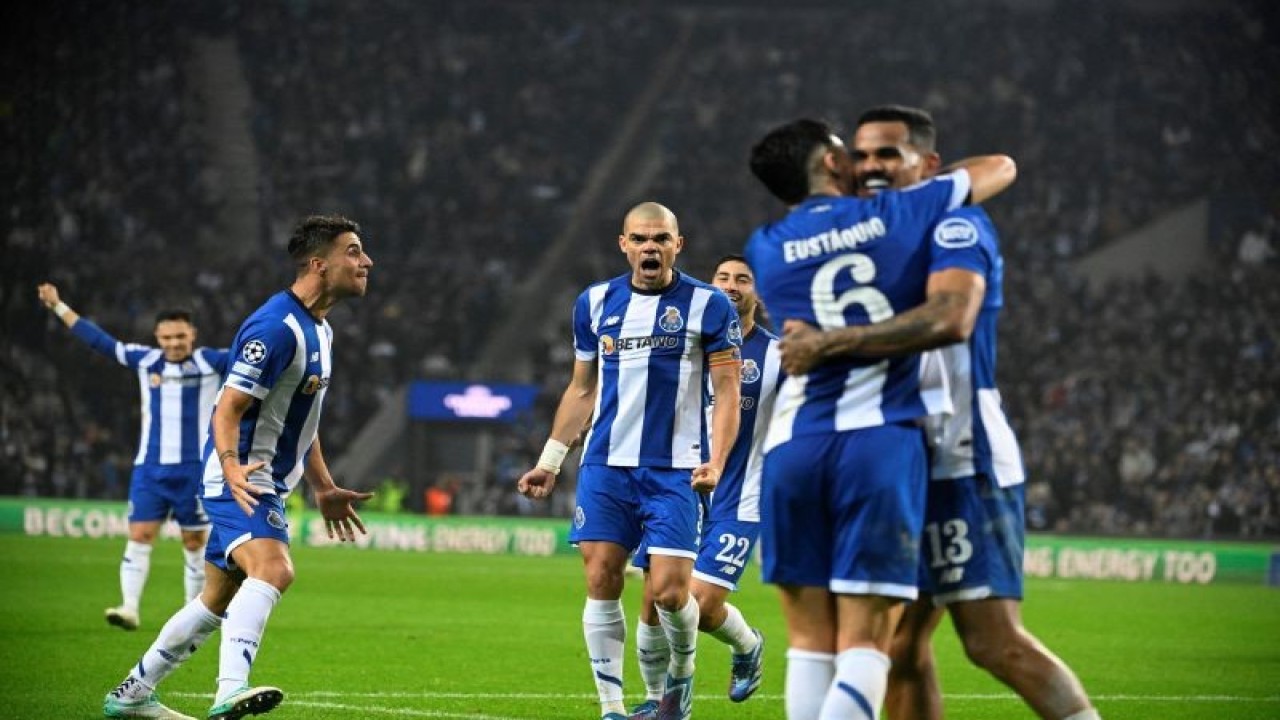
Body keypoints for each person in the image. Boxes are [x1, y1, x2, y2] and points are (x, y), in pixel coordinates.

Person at [782, 105, 1101, 720]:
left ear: (927, 166)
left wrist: (828, 343)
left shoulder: (955, 225)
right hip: (898, 462)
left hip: (961, 456)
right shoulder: (872, 237)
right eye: (863, 155)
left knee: (993, 643)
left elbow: (951, 319)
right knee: (899, 645)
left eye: (888, 155)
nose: (871, 167)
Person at [744, 117, 1016, 720]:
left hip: (792, 447)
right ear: (834, 165)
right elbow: (999, 166)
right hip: (879, 444)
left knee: (809, 645)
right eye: (849, 154)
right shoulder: (896, 218)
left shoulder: (765, 247)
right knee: (869, 643)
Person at [102, 214, 375, 720]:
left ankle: (132, 693)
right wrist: (230, 466)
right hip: (243, 478)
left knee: (215, 599)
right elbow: (228, 408)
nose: (366, 262)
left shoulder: (323, 330)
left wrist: (325, 486)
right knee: (274, 568)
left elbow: (301, 420)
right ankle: (230, 689)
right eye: (354, 252)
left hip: (260, 477)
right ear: (319, 263)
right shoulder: (275, 327)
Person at [517, 202, 743, 720]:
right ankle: (612, 708)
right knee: (601, 577)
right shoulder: (594, 303)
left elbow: (727, 391)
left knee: (667, 593)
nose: (650, 247)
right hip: (605, 463)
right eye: (640, 239)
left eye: (660, 239)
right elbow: (581, 389)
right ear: (623, 244)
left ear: (677, 245)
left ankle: (680, 681)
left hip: (676, 468)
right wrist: (550, 460)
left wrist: (716, 460)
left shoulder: (709, 306)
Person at [629, 254, 781, 718]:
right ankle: (658, 701)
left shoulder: (779, 354)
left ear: (759, 292)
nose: (731, 285)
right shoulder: (688, 343)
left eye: (742, 279)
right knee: (656, 601)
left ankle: (742, 648)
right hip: (681, 489)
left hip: (743, 496)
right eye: (722, 278)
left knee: (700, 602)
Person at [37, 284, 229, 631]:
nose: (173, 344)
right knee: (139, 534)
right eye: (167, 337)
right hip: (151, 469)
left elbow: (253, 359)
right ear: (157, 336)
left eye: (180, 336)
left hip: (196, 471)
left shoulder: (211, 362)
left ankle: (192, 614)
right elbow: (99, 341)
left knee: (194, 541)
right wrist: (58, 306)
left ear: (193, 335)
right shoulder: (146, 360)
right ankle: (129, 607)